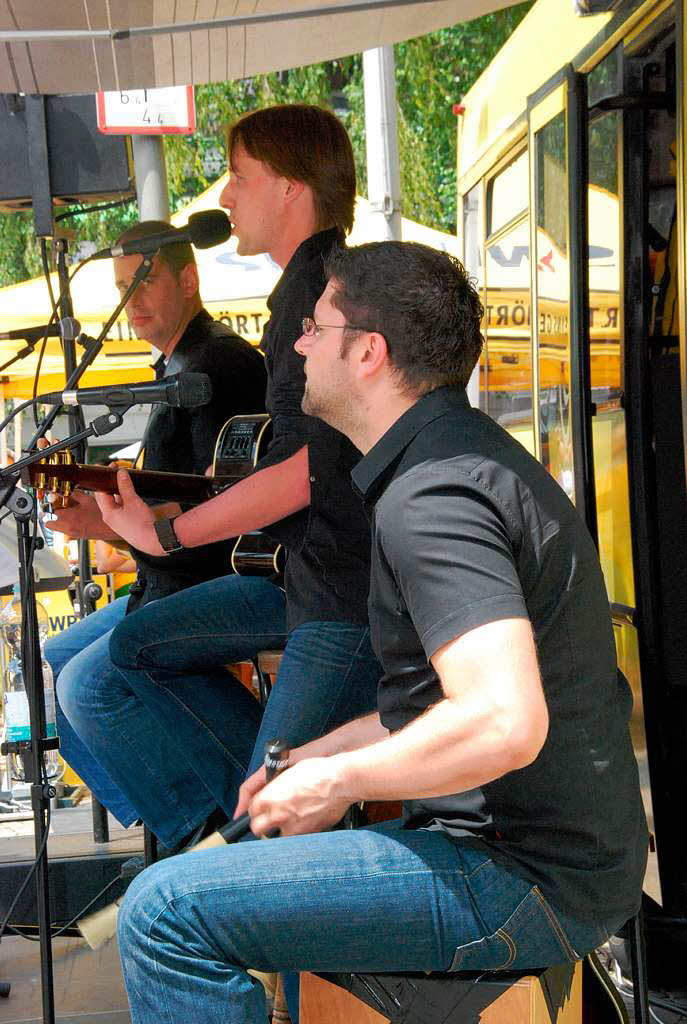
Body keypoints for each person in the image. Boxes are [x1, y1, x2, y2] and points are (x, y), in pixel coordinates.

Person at [114, 241, 648, 1024]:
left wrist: (338, 784)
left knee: (163, 913)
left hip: (519, 878)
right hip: (550, 862)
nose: (296, 344)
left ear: (368, 352)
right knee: (179, 897)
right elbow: (440, 703)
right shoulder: (446, 461)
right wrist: (316, 756)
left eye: (314, 327)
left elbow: (504, 719)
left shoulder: (433, 495)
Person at [57, 105, 381, 856]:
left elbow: (305, 471)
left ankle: (239, 826)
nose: (226, 196)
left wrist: (166, 531)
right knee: (137, 652)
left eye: (240, 176)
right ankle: (238, 815)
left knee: (269, 818)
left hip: (338, 593)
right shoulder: (314, 290)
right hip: (318, 582)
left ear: (292, 188)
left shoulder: (315, 302)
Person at [44, 222, 267, 829]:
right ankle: (164, 812)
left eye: (144, 284)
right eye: (121, 289)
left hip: (216, 579)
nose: (131, 302)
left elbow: (219, 503)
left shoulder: (218, 363)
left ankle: (206, 829)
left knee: (88, 685)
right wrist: (102, 524)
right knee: (59, 656)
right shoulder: (181, 366)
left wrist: (123, 525)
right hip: (172, 575)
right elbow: (168, 514)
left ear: (189, 280)